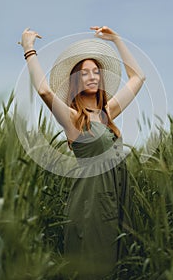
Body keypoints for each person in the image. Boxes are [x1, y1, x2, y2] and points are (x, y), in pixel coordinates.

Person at [19, 26, 146, 279]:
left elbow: (138, 78)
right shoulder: (73, 119)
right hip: (91, 205)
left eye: (96, 72)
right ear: (75, 81)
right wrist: (28, 49)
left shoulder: (107, 114)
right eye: (84, 73)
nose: (92, 76)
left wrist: (117, 41)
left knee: (119, 266)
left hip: (117, 200)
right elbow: (44, 91)